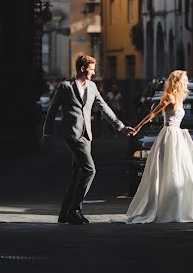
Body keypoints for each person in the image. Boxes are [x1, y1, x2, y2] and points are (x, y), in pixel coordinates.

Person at [41, 54, 134, 225]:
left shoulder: (92, 87)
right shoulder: (65, 86)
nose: (93, 72)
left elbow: (104, 107)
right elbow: (52, 111)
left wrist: (120, 127)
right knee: (89, 169)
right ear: (82, 69)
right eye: (91, 69)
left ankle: (64, 213)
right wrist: (46, 134)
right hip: (72, 134)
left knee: (77, 173)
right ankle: (74, 210)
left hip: (87, 135)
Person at [125, 70, 193, 223]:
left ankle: (182, 206)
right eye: (184, 79)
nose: (186, 82)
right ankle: (165, 207)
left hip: (178, 136)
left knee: (183, 170)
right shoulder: (170, 97)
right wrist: (137, 128)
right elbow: (152, 115)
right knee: (169, 169)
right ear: (177, 81)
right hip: (169, 135)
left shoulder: (182, 97)